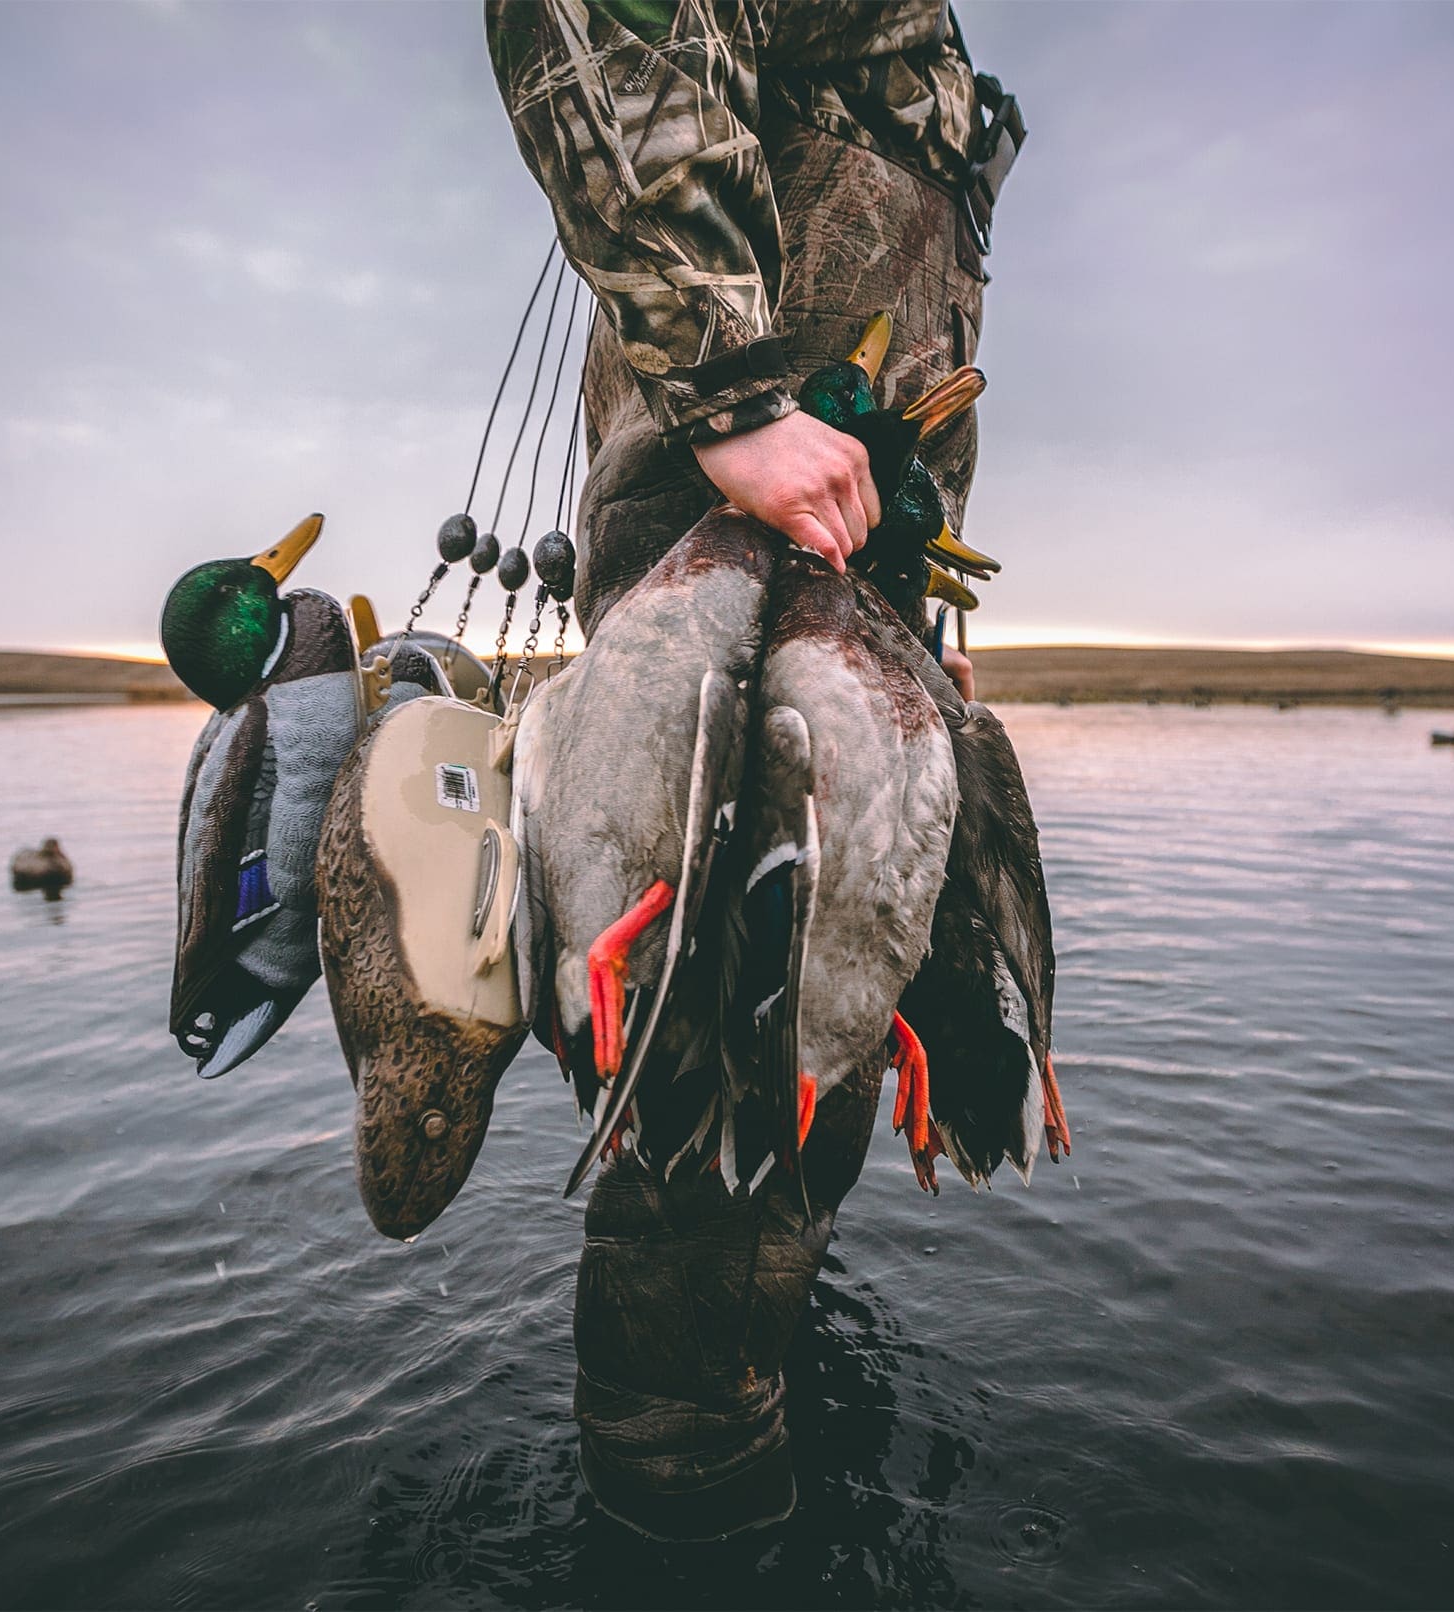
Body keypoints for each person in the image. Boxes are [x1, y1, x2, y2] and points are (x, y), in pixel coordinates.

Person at [484, 0, 1021, 1538]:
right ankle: (682, 1486)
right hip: (738, 536)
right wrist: (732, 392)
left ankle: (731, 1388)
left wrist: (907, 635)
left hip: (835, 559)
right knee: (717, 999)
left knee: (801, 1023)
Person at [487, 0, 1022, 703]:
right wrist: (734, 402)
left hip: (823, 516)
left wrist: (908, 636)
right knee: (668, 753)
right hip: (749, 460)